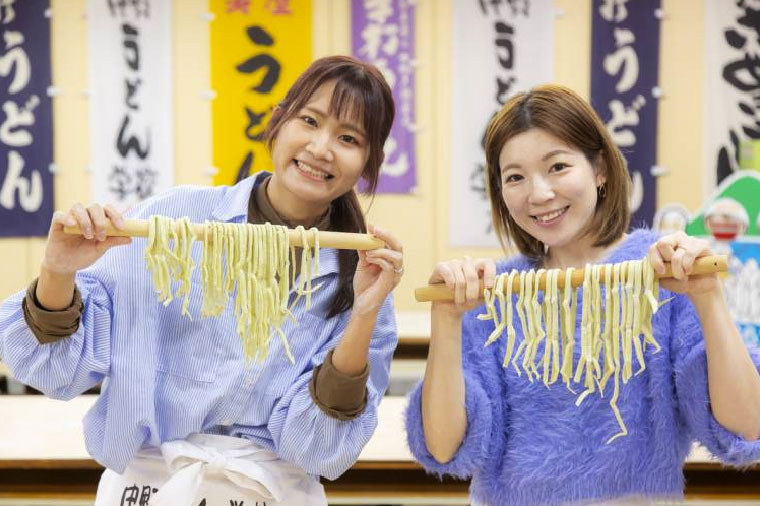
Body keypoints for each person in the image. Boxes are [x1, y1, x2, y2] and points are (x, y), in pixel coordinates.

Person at [0, 55, 404, 506]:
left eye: (348, 138)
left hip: (267, 491)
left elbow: (318, 447)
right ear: (278, 121)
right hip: (150, 486)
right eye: (310, 120)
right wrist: (58, 270)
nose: (321, 147)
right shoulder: (174, 219)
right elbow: (54, 370)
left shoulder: (363, 274)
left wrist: (363, 313)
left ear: (368, 163)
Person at [405, 84, 760, 506]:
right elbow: (444, 447)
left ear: (600, 169)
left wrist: (708, 298)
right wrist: (447, 319)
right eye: (515, 177)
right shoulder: (495, 294)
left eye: (557, 166)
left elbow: (747, 426)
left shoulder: (664, 274)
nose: (539, 194)